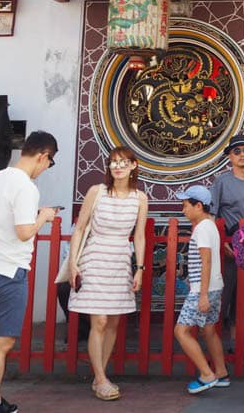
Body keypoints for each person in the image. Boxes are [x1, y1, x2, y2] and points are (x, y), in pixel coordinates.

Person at [0, 131, 59, 413]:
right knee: (1, 343)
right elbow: (24, 232)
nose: (46, 168)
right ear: (43, 156)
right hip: (9, 270)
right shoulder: (26, 186)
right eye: (50, 163)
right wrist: (43, 217)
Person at [68, 145, 149, 400]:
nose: (118, 166)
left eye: (124, 162)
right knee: (100, 320)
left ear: (133, 166)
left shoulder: (140, 198)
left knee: (113, 321)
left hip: (120, 259)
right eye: (114, 162)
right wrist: (72, 263)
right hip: (94, 257)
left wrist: (140, 268)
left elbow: (139, 235)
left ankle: (98, 376)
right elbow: (80, 229)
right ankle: (102, 379)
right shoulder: (97, 191)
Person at [209, 134, 244, 353]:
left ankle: (236, 343)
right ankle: (215, 343)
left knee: (242, 296)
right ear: (230, 157)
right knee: (224, 293)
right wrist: (220, 243)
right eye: (237, 151)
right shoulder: (222, 182)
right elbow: (212, 214)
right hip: (228, 244)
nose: (243, 155)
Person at [173, 185, 229, 394]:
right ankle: (221, 372)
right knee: (209, 330)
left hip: (203, 290)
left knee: (181, 331)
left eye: (186, 205)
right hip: (214, 286)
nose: (183, 210)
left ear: (198, 206)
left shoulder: (202, 228)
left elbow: (206, 262)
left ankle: (207, 374)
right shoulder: (210, 225)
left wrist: (202, 294)